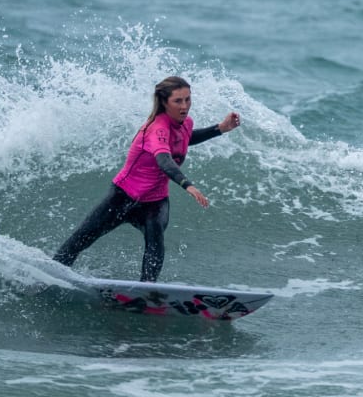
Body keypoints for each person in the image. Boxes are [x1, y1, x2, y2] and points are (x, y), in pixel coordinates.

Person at [53, 75, 242, 282]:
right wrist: (188, 186)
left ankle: (147, 291)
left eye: (188, 99)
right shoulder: (156, 129)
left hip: (154, 201)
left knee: (156, 243)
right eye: (178, 101)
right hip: (122, 197)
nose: (185, 106)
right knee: (79, 242)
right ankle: (50, 278)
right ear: (164, 102)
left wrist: (220, 129)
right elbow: (164, 160)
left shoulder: (185, 123)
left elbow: (185, 137)